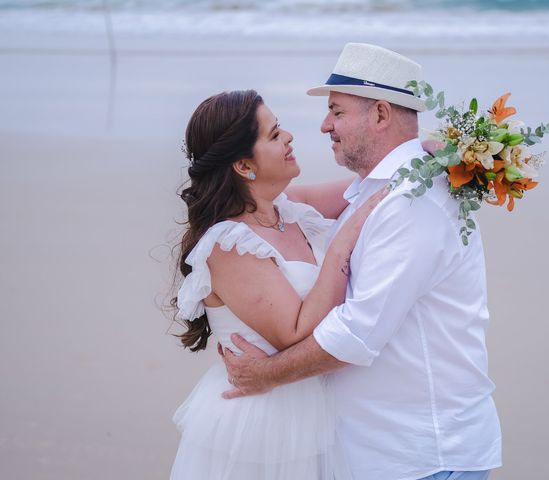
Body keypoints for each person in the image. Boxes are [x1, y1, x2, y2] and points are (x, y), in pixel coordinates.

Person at [221, 43, 503, 480]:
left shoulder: (412, 200)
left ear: (381, 115)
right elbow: (267, 206)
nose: (323, 125)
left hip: (424, 455)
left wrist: (266, 375)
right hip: (382, 452)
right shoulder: (374, 191)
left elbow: (358, 332)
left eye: (336, 111)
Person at [170, 89, 385, 479]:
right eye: (273, 135)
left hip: (310, 412)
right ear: (243, 165)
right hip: (260, 427)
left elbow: (371, 187)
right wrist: (340, 248)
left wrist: (433, 151)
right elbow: (296, 332)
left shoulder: (287, 208)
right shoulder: (229, 242)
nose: (288, 138)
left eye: (280, 128)